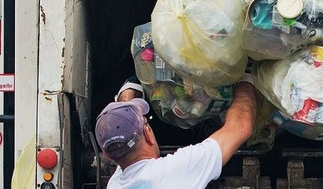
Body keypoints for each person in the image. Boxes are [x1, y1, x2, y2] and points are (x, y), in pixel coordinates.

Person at [95, 76, 257, 188]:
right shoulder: (176, 170)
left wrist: (130, 89)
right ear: (149, 135)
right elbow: (241, 126)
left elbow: (120, 147)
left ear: (108, 156)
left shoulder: (116, 184)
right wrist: (245, 77)